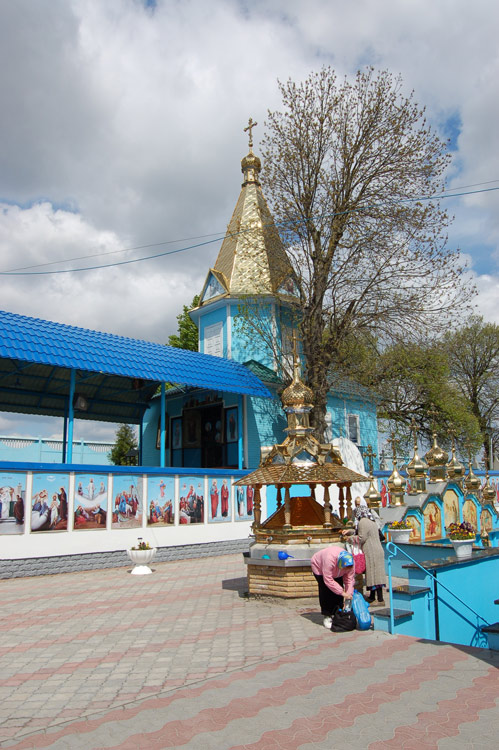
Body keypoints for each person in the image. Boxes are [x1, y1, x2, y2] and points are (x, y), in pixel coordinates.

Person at [343, 507, 386, 605]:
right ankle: (372, 597)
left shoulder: (363, 522)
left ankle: (379, 600)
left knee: (374, 575)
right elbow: (359, 532)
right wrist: (350, 532)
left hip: (372, 551)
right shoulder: (370, 521)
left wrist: (349, 539)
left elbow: (361, 537)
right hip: (376, 550)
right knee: (374, 575)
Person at [310, 547, 355, 628]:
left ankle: (337, 613)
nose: (346, 570)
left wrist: (348, 595)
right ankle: (327, 615)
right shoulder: (329, 560)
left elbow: (349, 580)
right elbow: (328, 580)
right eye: (344, 568)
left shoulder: (351, 563)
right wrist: (342, 592)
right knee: (326, 590)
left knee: (338, 590)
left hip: (337, 571)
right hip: (319, 567)